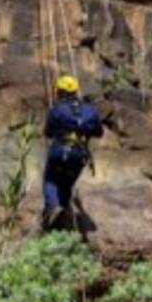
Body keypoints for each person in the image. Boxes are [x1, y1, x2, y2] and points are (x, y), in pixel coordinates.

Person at [42, 74, 104, 230]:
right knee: (67, 184)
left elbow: (48, 132)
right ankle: (63, 216)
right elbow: (99, 132)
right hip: (80, 154)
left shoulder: (57, 109)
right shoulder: (90, 109)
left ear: (60, 91)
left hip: (60, 152)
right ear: (76, 91)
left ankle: (54, 207)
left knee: (51, 180)